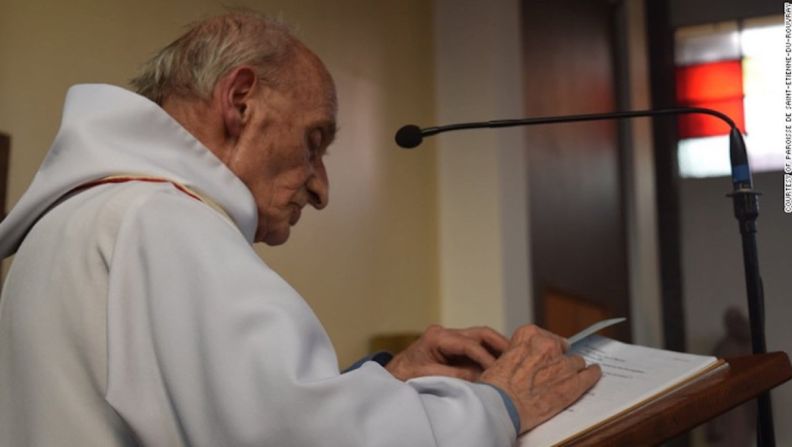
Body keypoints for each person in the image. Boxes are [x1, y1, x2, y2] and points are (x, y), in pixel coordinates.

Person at [0, 12, 600, 446]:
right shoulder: (161, 220)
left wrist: (385, 381)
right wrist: (499, 404)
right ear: (240, 100)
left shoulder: (83, 217)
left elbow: (227, 418)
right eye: (314, 143)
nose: (321, 187)